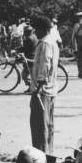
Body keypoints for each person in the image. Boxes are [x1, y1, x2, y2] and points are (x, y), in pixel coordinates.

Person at [28, 16, 59, 154]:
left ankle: (42, 155)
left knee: (40, 125)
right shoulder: (51, 42)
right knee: (48, 124)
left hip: (42, 91)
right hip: (50, 89)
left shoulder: (45, 43)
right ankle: (48, 152)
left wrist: (38, 89)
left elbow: (45, 65)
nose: (35, 32)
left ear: (42, 29)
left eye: (36, 29)